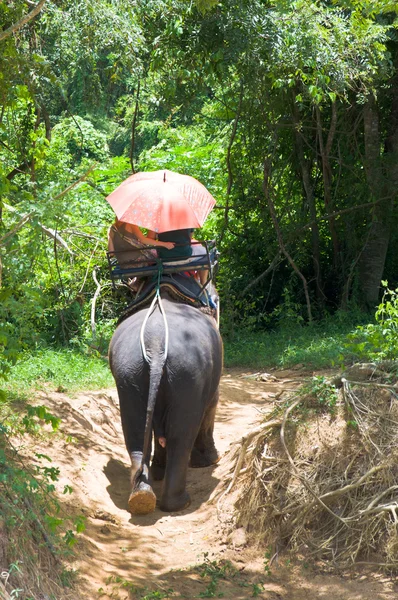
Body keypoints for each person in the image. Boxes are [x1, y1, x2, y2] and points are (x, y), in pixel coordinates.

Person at [107, 219, 175, 266]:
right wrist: (165, 244)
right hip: (138, 261)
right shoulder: (131, 225)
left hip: (123, 264)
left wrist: (109, 236)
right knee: (156, 255)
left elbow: (111, 253)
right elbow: (143, 240)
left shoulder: (112, 229)